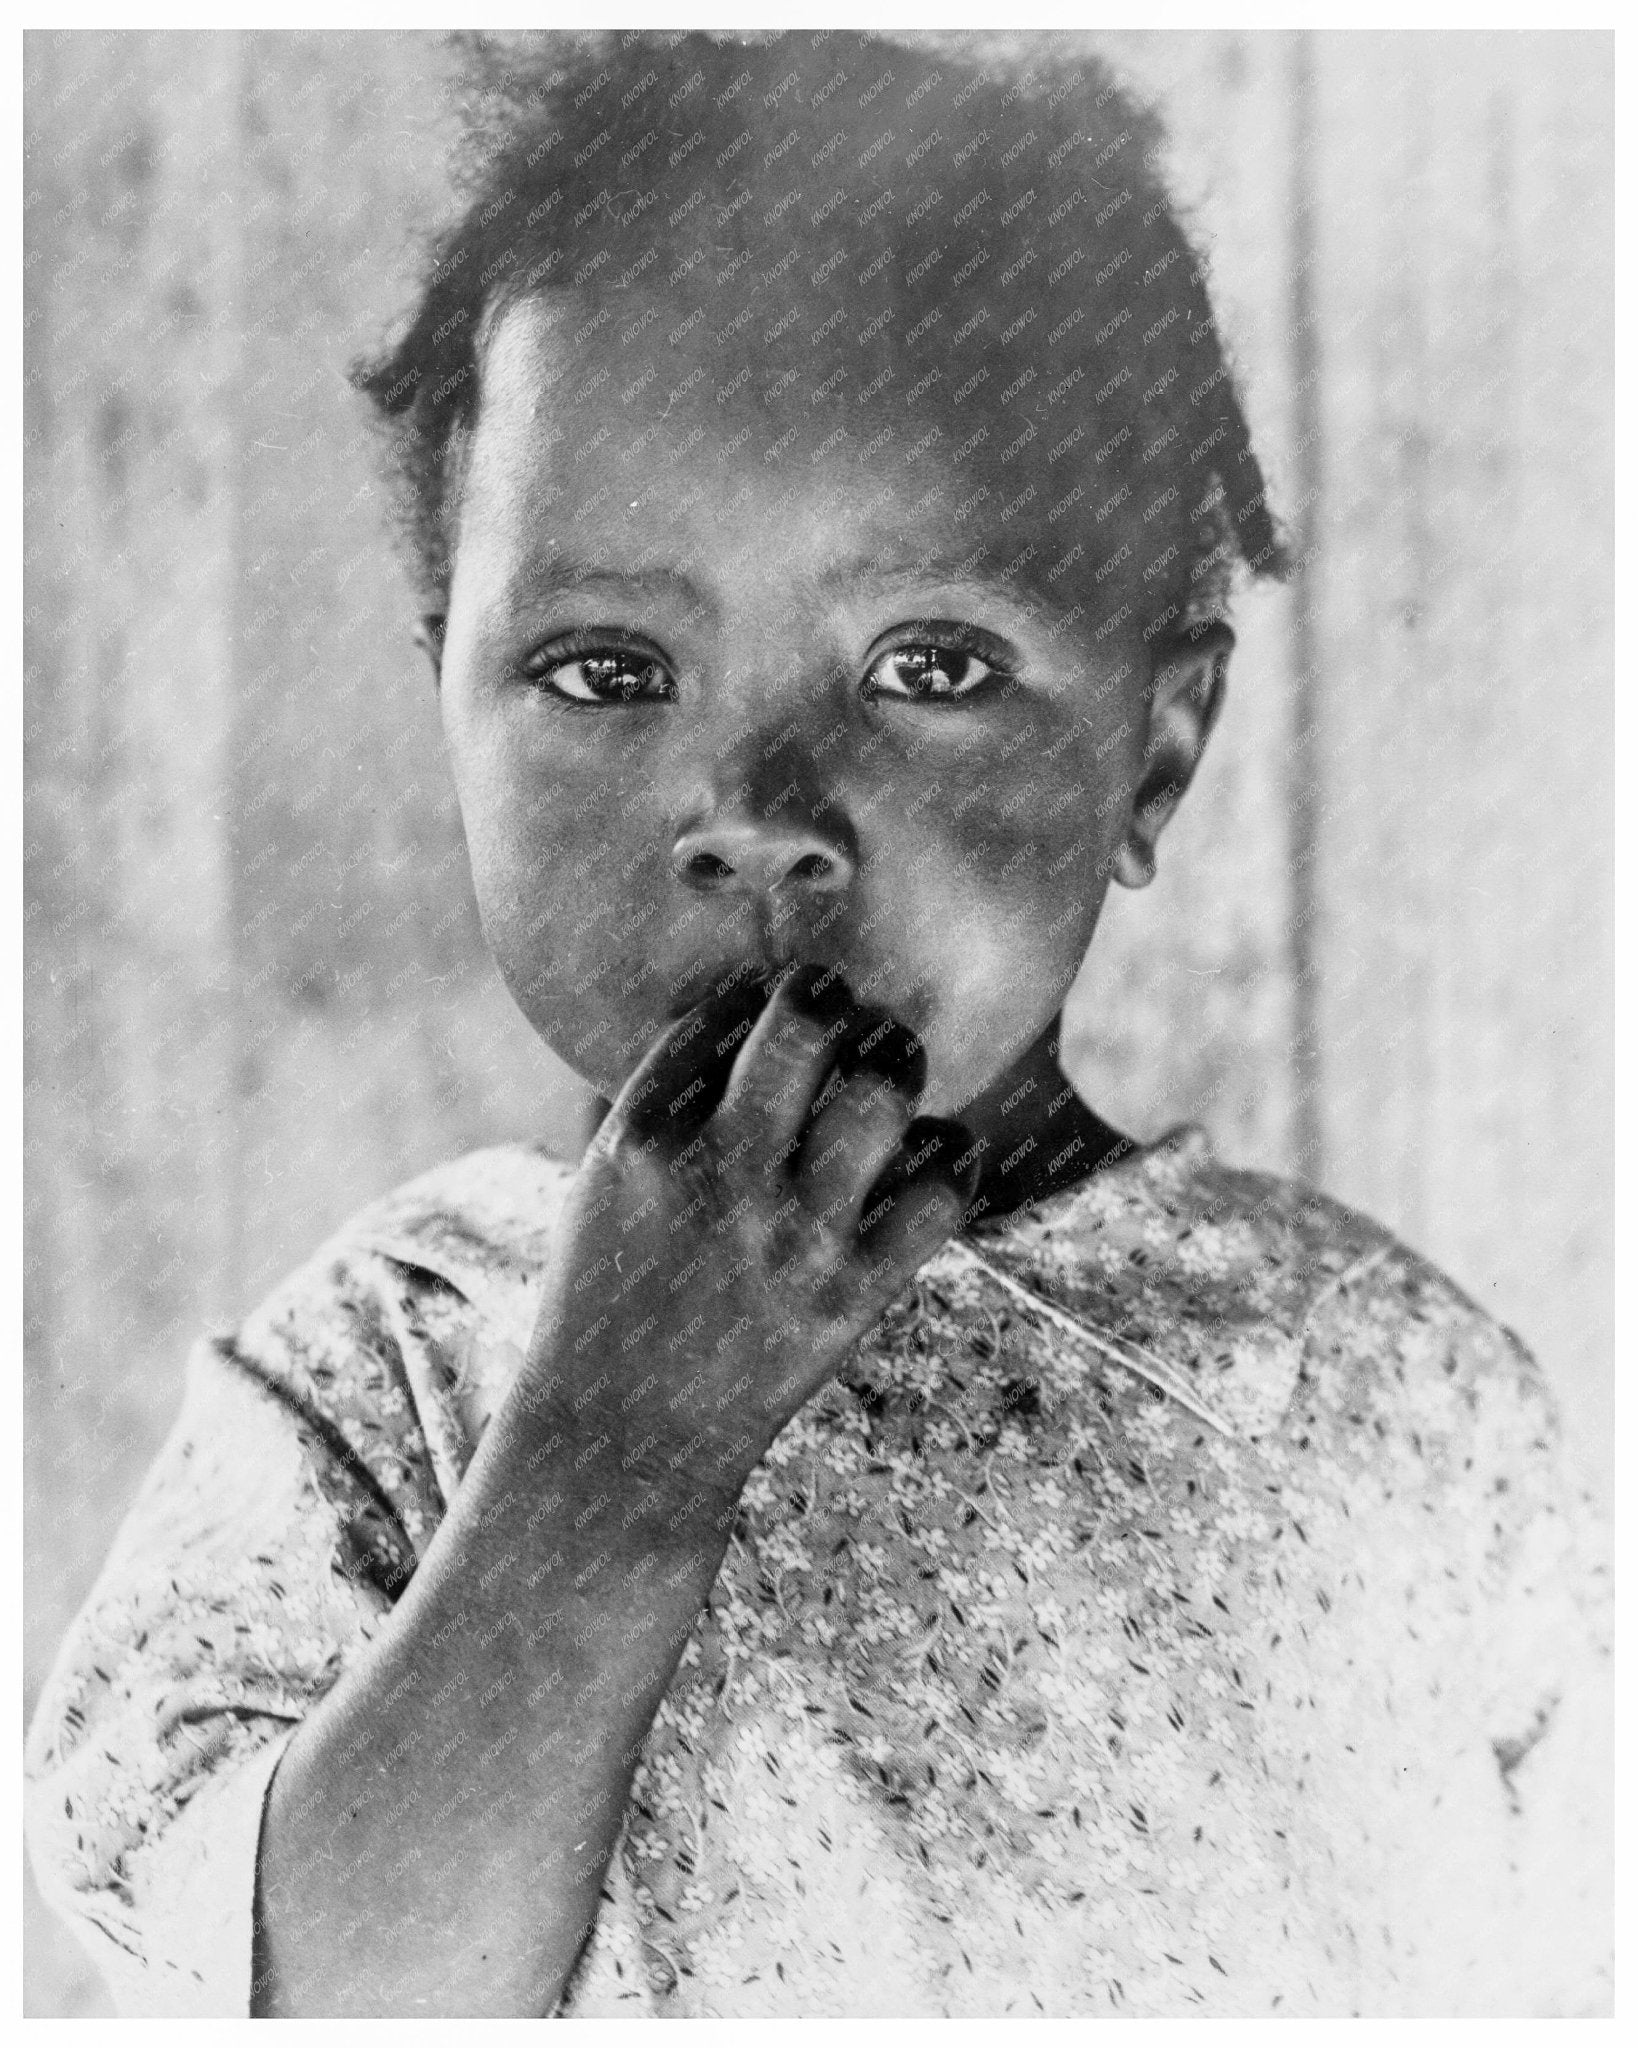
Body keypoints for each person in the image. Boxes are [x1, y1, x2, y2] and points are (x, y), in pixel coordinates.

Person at [24, 29, 1611, 2018]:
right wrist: (615, 1450)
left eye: (930, 663)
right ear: (449, 711)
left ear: (1153, 750)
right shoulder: (385, 1379)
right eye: (607, 668)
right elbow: (322, 2003)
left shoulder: (1379, 1392)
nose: (761, 809)